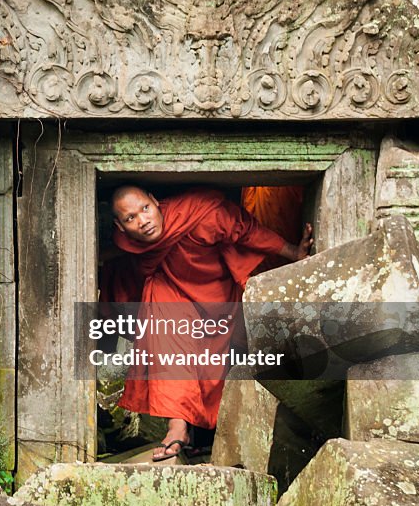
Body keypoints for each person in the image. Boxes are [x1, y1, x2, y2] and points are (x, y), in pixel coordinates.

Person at [100, 186, 313, 461]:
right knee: (166, 335)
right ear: (120, 226)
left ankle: (211, 434)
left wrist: (293, 252)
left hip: (217, 294)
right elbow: (122, 266)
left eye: (145, 208)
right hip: (173, 290)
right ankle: (177, 426)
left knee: (223, 363)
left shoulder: (199, 212)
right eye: (130, 218)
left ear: (155, 201)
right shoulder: (128, 243)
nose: (143, 221)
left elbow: (247, 230)